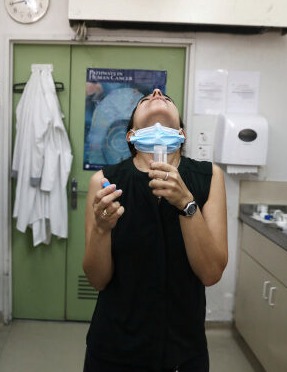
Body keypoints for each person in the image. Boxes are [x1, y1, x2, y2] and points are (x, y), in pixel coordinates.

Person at [82, 89, 228, 371]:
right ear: (131, 135)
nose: (157, 92)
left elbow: (211, 273)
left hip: (183, 350)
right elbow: (97, 280)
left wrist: (186, 203)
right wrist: (101, 229)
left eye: (166, 98)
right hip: (113, 348)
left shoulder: (209, 178)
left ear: (182, 134)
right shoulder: (104, 183)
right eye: (144, 100)